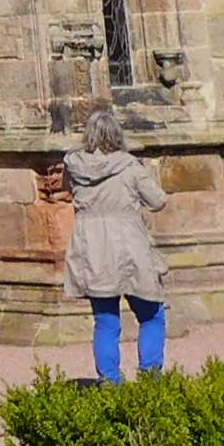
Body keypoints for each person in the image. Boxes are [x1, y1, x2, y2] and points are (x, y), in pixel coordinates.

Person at [62, 109, 172, 381]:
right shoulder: (130, 166)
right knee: (151, 313)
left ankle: (110, 381)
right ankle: (150, 376)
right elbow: (157, 201)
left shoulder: (74, 165)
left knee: (106, 320)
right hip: (128, 242)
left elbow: (67, 191)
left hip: (92, 245)